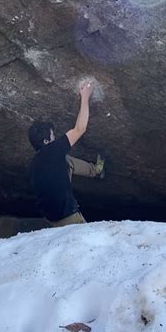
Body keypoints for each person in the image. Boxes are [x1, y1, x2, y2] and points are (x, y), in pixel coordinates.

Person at [28, 80, 105, 227]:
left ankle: (96, 170)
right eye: (52, 135)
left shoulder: (34, 165)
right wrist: (85, 96)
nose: (55, 137)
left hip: (50, 219)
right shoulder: (52, 151)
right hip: (68, 217)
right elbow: (79, 129)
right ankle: (96, 171)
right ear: (45, 141)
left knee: (66, 161)